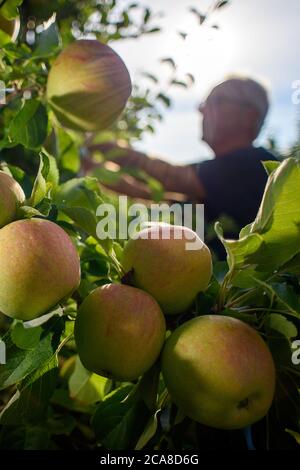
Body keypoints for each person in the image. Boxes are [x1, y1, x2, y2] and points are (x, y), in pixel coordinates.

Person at [84, 75, 277, 258]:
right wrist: (91, 167)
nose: (202, 110)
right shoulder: (212, 181)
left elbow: (170, 177)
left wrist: (101, 143)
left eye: (216, 101)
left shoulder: (257, 165)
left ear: (249, 116)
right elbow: (148, 191)